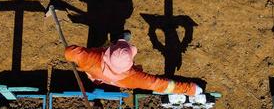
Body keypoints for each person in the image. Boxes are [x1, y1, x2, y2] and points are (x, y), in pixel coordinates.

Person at [64, 38, 202, 96]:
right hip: (120, 81)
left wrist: (75, 56)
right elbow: (163, 85)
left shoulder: (90, 58)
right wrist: (190, 89)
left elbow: (69, 52)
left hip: (97, 75)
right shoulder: (135, 78)